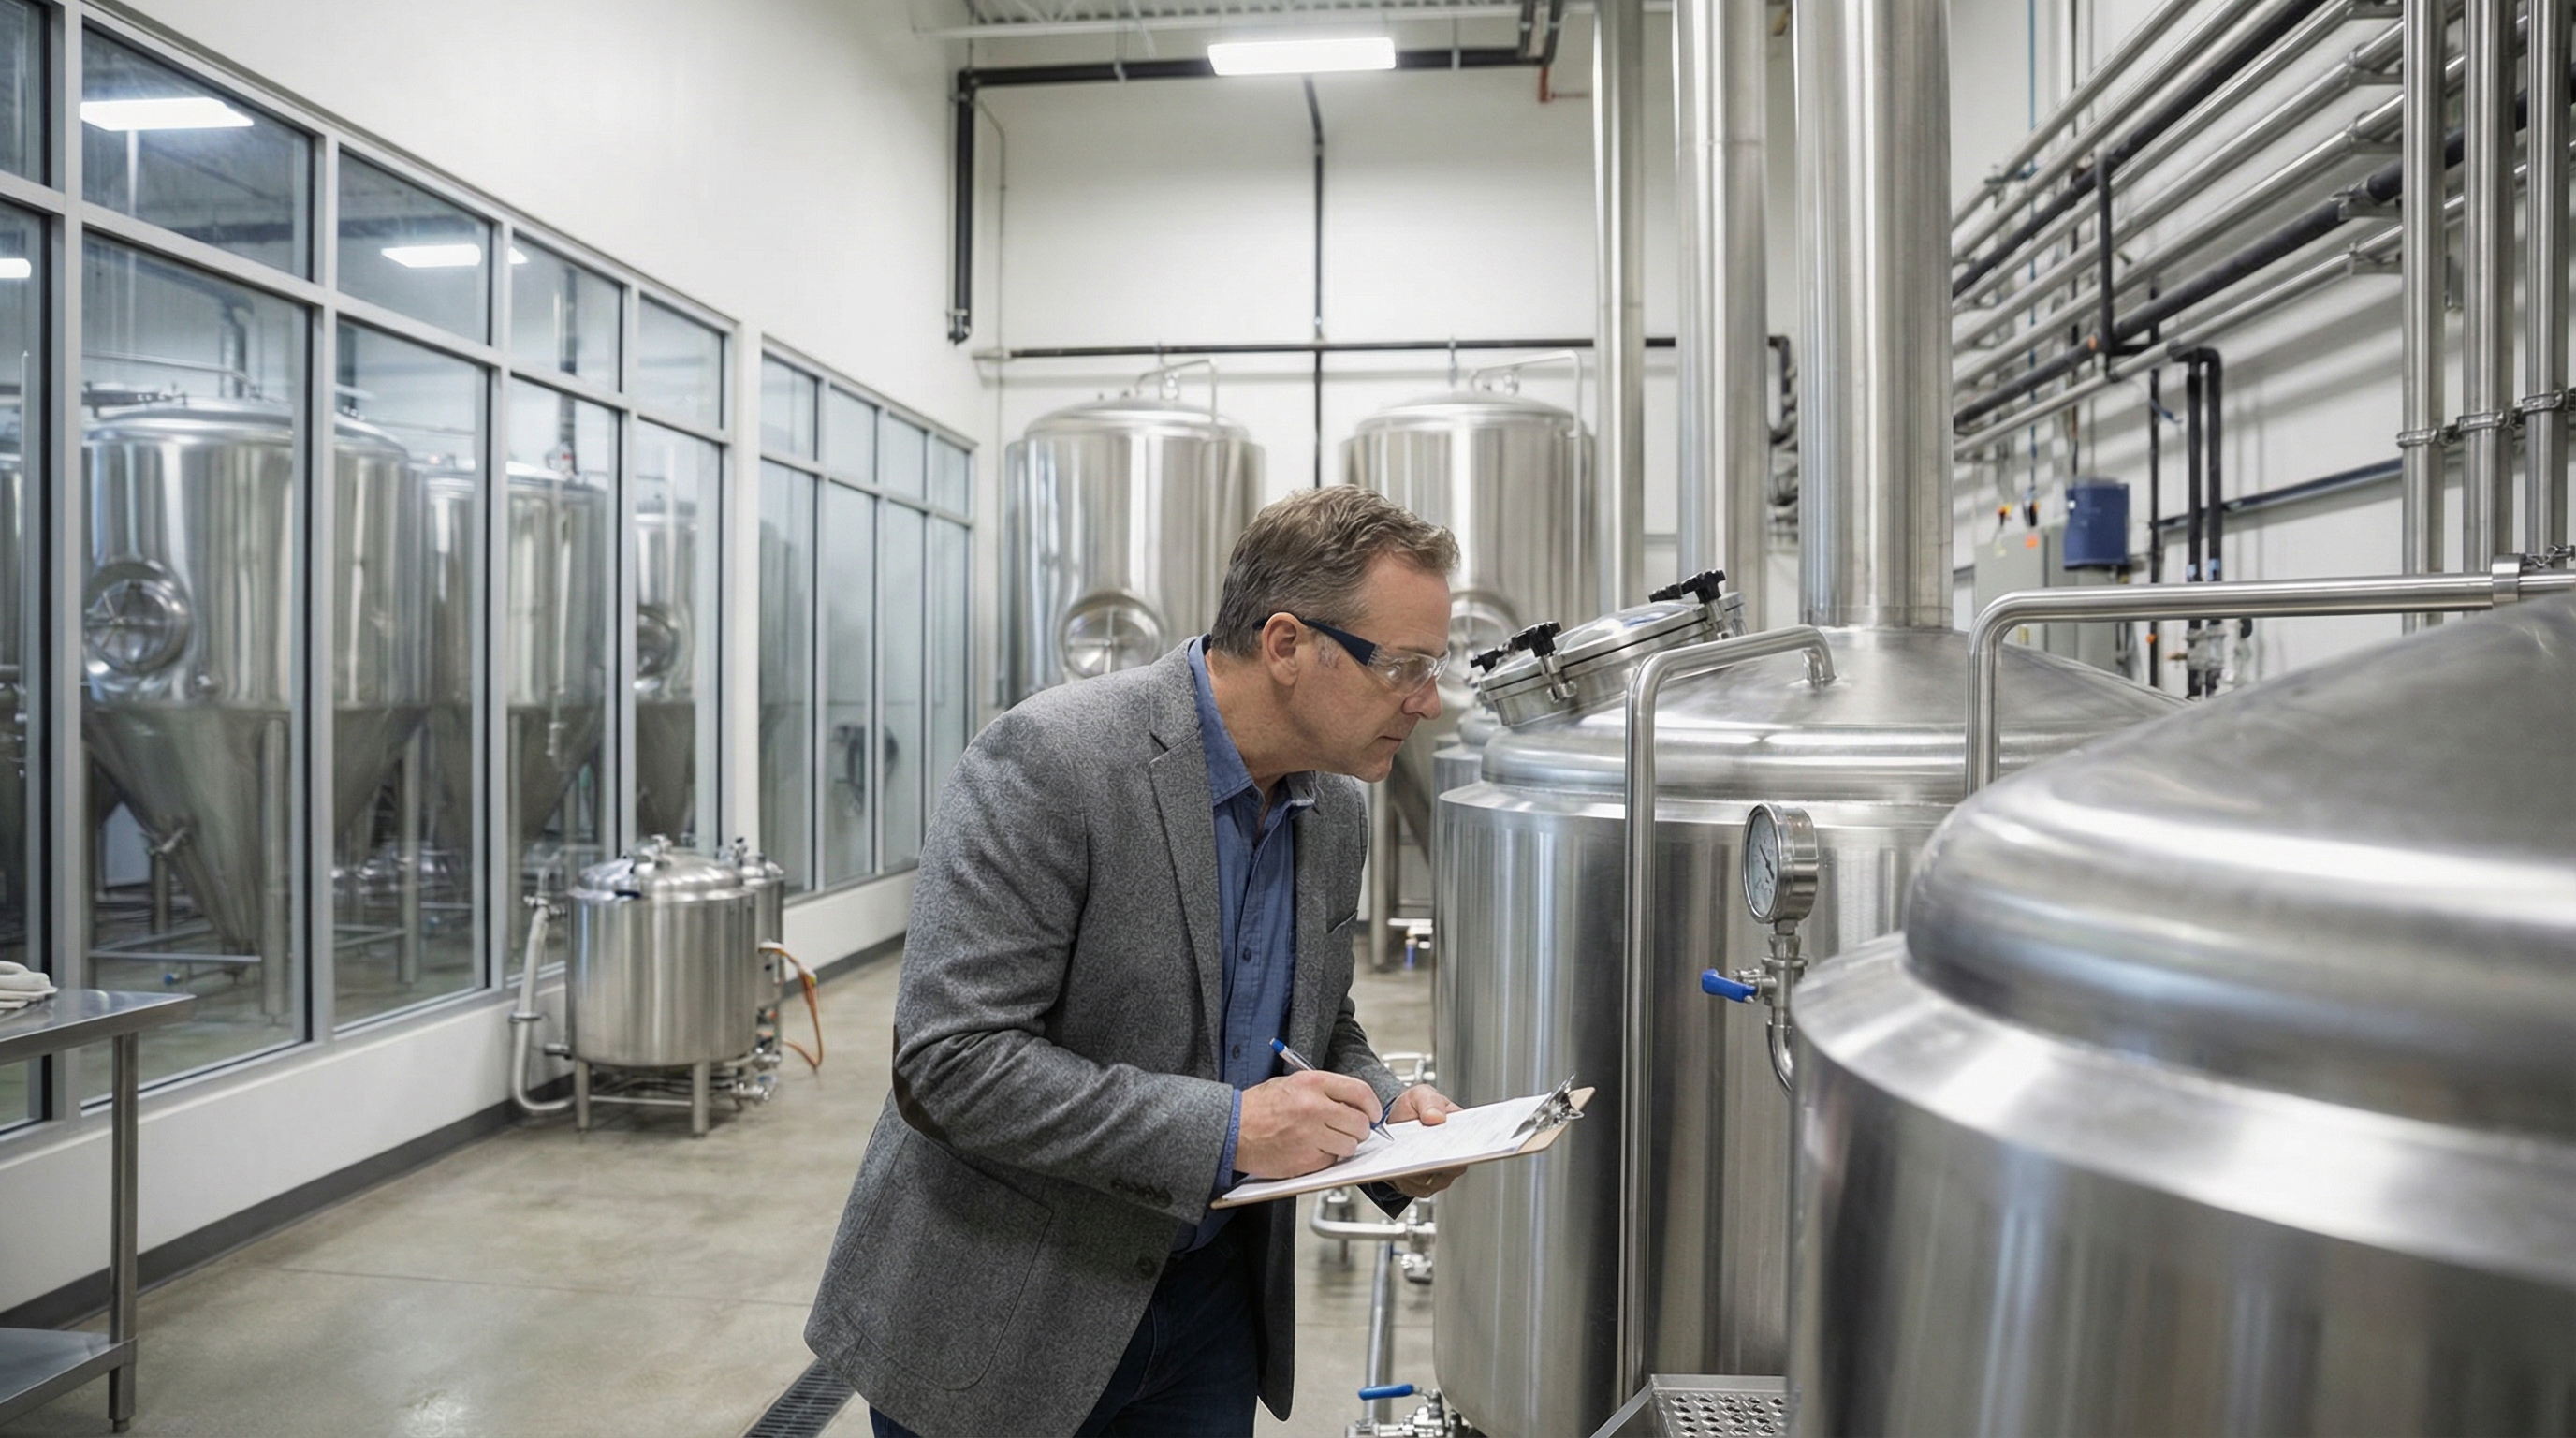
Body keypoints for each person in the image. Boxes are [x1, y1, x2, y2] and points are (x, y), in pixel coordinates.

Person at [805, 487, 1470, 1438]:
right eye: (1403, 665)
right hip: (1012, 1303)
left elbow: (1316, 1026)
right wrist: (1229, 1129)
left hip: (1206, 1310)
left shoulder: (1337, 810)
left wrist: (1390, 1125)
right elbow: (951, 1064)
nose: (1429, 700)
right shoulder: (1053, 761)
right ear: (1285, 645)